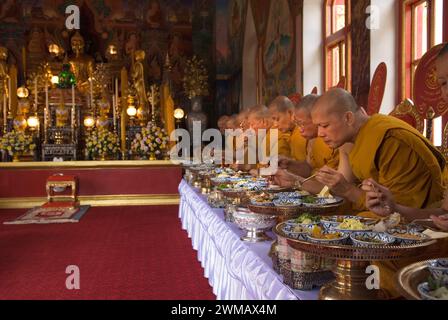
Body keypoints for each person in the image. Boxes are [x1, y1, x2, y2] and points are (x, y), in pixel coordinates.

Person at [309, 88, 445, 211]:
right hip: (379, 208)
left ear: (348, 118)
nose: (320, 133)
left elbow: (396, 209)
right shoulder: (351, 138)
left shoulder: (390, 140)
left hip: (415, 216)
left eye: (325, 126)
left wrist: (349, 190)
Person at [362, 43, 448, 229]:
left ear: (348, 118)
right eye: (443, 83)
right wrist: (394, 208)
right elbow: (442, 216)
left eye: (325, 125)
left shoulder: (390, 137)